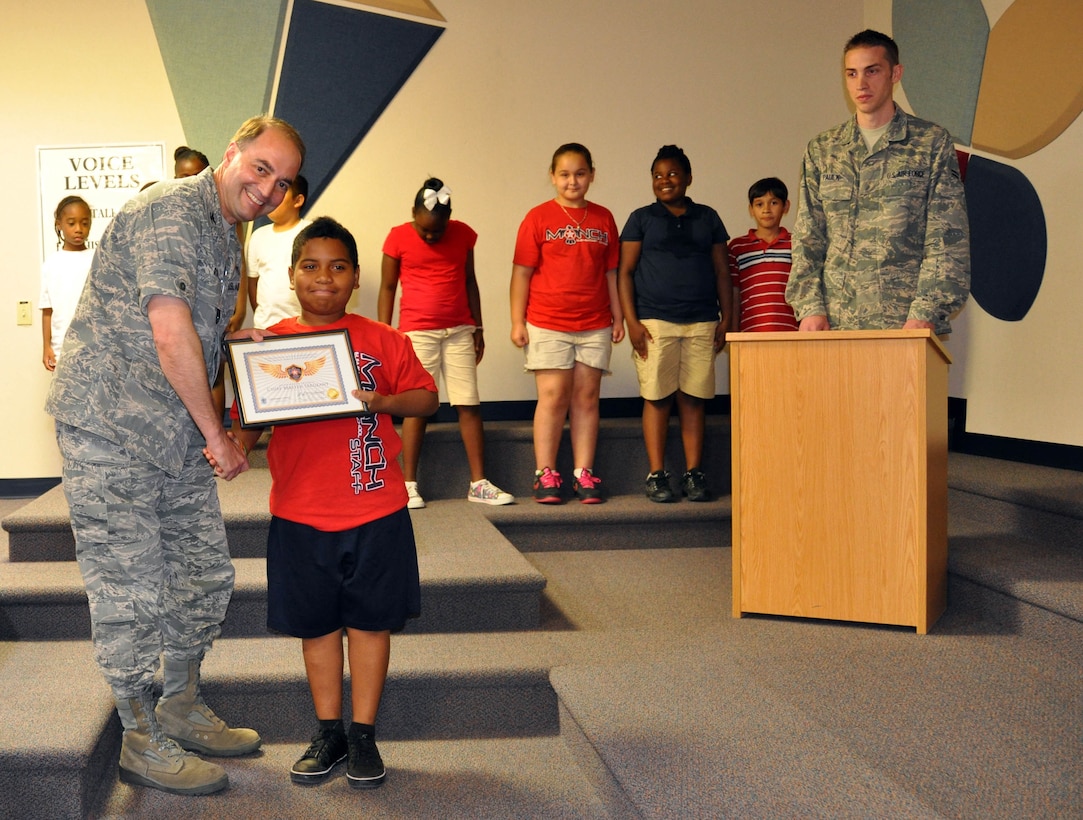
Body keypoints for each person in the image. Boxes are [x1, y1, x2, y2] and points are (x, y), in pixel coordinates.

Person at [45, 115, 305, 797]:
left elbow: (209, 337)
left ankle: (180, 705)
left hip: (174, 427)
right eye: (260, 170)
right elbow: (170, 333)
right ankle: (139, 739)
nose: (267, 188)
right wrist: (218, 434)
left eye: (281, 183)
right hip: (111, 428)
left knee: (203, 574)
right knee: (129, 590)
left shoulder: (225, 232)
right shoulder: (171, 209)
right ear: (231, 155)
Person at [223, 217, 438, 790]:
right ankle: (329, 731)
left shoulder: (385, 340)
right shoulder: (268, 346)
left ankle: (364, 733)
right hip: (300, 513)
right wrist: (234, 440)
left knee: (370, 625)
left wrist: (382, 399)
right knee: (316, 627)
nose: (324, 277)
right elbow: (247, 424)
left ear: (357, 277)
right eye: (311, 266)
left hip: (376, 510)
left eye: (338, 266)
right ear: (290, 275)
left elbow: (427, 397)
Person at [785, 29, 970, 334]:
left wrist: (924, 313)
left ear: (895, 73)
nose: (861, 83)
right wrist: (809, 309)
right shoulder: (823, 149)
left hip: (904, 324)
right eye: (852, 73)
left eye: (872, 71)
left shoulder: (929, 143)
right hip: (833, 325)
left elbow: (946, 238)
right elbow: (808, 237)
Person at [378, 178, 514, 508]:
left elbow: (470, 281)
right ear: (412, 213)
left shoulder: (464, 234)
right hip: (417, 333)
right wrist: (384, 332)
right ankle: (408, 484)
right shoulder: (398, 236)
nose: (430, 236)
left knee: (468, 402)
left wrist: (478, 327)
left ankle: (478, 483)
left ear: (450, 218)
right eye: (424, 231)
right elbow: (387, 288)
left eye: (437, 231)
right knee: (417, 406)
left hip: (459, 331)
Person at [617, 145, 732, 503]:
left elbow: (721, 272)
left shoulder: (708, 217)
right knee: (657, 398)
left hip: (701, 322)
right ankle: (656, 475)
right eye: (657, 175)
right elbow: (625, 272)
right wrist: (632, 322)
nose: (664, 181)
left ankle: (694, 473)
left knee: (694, 400)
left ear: (688, 178)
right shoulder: (641, 218)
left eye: (672, 174)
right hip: (654, 322)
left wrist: (728, 318)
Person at [510, 143, 624, 504]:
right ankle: (545, 473)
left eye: (579, 173)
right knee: (554, 396)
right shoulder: (537, 217)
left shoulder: (604, 218)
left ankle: (583, 473)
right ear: (552, 177)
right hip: (547, 322)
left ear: (591, 174)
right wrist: (517, 320)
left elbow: (611, 274)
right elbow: (521, 274)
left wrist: (618, 316)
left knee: (587, 397)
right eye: (564, 174)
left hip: (594, 323)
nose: (572, 181)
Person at [728, 177, 798, 332]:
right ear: (751, 209)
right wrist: (733, 335)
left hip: (791, 333)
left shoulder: (797, 244)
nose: (766, 209)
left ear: (786, 206)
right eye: (759, 204)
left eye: (774, 203)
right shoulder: (737, 247)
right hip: (750, 333)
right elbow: (734, 294)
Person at [247, 174, 309, 328]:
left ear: (298, 200)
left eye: (282, 191)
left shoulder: (310, 233)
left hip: (301, 327)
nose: (272, 198)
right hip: (265, 328)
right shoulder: (258, 236)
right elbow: (253, 283)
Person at [40, 195, 94, 371]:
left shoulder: (97, 260)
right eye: (71, 223)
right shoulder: (51, 264)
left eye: (84, 223)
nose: (79, 229)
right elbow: (47, 311)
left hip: (95, 345)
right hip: (62, 347)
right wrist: (46, 346)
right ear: (59, 224)